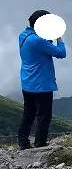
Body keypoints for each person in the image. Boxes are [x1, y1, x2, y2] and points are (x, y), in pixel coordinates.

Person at [17, 10, 67, 150]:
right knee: (44, 115)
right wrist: (59, 39)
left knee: (28, 113)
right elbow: (61, 53)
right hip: (42, 84)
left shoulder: (23, 35)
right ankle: (40, 143)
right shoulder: (38, 40)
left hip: (27, 82)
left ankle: (23, 141)